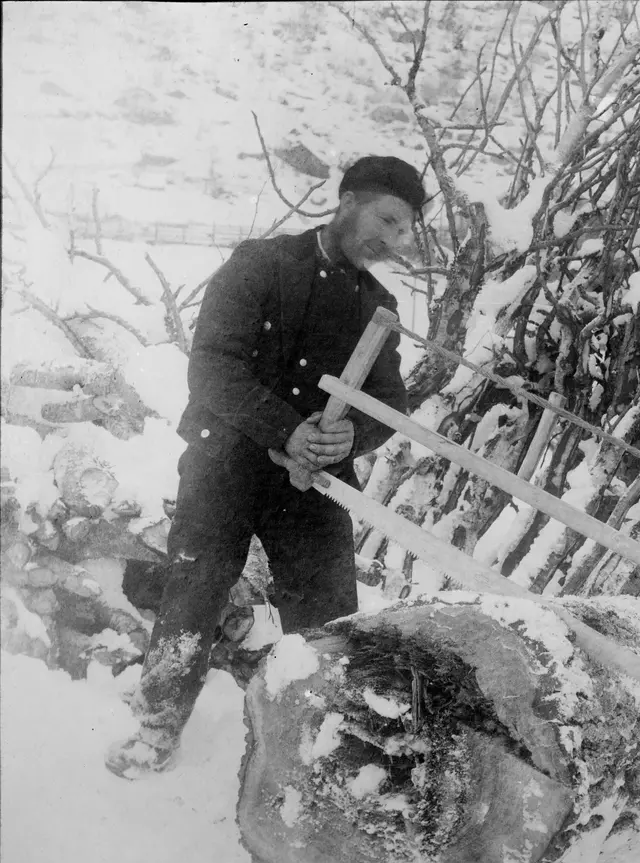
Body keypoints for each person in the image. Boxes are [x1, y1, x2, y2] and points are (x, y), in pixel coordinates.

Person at [106, 156, 426, 778]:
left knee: (331, 616)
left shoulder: (377, 305)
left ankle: (322, 756)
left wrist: (345, 439)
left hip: (312, 483)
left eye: (404, 230)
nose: (392, 240)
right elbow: (214, 368)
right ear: (349, 200)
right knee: (195, 589)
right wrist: (289, 430)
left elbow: (391, 405)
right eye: (386, 219)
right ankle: (156, 725)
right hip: (225, 461)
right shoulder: (260, 264)